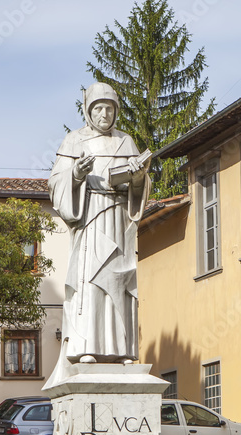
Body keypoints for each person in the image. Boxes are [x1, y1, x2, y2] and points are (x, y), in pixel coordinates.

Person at [46, 82, 151, 384]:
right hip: (91, 218)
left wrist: (138, 176)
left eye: (109, 108)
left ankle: (122, 350)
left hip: (118, 220)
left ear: (116, 111)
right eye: (98, 108)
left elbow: (139, 190)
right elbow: (56, 185)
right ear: (88, 111)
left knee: (119, 282)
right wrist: (77, 174)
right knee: (91, 283)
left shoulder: (125, 142)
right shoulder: (73, 140)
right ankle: (87, 347)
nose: (104, 114)